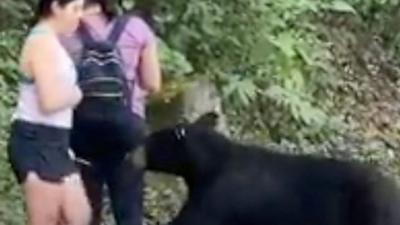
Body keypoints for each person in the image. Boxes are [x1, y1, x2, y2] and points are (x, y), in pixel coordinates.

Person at [60, 0, 161, 224]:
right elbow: (153, 83)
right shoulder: (137, 28)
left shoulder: (63, 29)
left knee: (85, 212)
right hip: (127, 129)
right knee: (129, 211)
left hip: (80, 130)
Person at [6, 0, 92, 225]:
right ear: (55, 6)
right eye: (75, 8)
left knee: (78, 215)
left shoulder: (51, 41)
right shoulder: (42, 42)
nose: (80, 16)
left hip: (56, 140)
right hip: (36, 138)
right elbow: (50, 101)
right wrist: (77, 94)